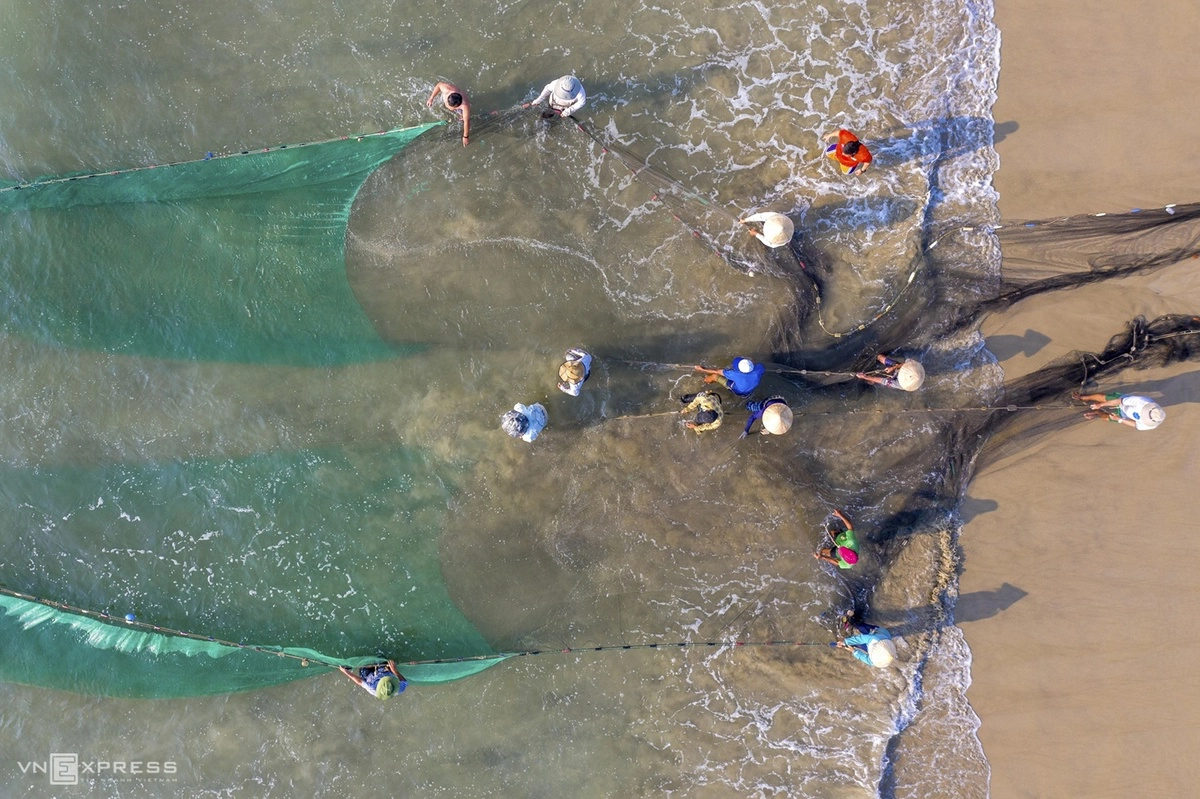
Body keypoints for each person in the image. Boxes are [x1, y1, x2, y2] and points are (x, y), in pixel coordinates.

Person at [1074, 392, 1166, 430]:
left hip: (1123, 416)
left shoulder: (1150, 425)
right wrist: (1100, 405)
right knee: (1103, 398)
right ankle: (1084, 397)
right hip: (1122, 401)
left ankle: (1097, 413)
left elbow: (1135, 424)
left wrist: (1119, 419)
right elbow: (1119, 401)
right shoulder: (1142, 401)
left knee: (1107, 418)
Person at [830, 616, 896, 669]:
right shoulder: (874, 639)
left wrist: (854, 652)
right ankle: (852, 618)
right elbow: (861, 639)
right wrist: (845, 642)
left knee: (855, 645)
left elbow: (867, 660)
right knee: (861, 626)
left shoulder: (877, 660)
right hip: (876, 632)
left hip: (877, 640)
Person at [426, 81, 472, 147]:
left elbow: (466, 122)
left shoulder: (465, 106)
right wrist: (431, 98)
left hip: (459, 108)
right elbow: (439, 85)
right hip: (449, 97)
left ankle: (460, 114)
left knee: (464, 118)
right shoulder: (447, 89)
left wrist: (465, 137)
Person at [694, 357, 765, 397]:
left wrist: (702, 369)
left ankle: (705, 380)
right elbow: (759, 367)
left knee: (715, 376)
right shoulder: (759, 368)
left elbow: (717, 372)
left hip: (738, 390)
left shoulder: (734, 374)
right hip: (749, 389)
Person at [338, 659, 408, 699]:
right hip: (384, 671)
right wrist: (395, 671)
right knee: (389, 663)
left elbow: (359, 681)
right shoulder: (398, 689)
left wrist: (345, 671)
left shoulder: (372, 688)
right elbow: (404, 682)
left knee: (365, 665)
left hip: (368, 676)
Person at [856, 354, 924, 392]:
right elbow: (906, 363)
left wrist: (865, 377)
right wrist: (893, 368)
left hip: (894, 379)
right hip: (898, 369)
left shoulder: (898, 384)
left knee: (870, 381)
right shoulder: (914, 368)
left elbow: (883, 381)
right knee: (880, 357)